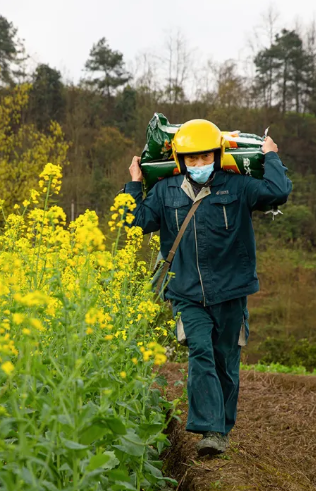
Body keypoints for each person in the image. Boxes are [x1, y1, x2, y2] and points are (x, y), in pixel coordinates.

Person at [122, 119, 292, 457]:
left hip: (231, 290)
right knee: (200, 351)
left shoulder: (237, 186)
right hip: (186, 292)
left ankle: (222, 429)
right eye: (192, 158)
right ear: (181, 160)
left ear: (217, 155)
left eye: (205, 157)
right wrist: (134, 183)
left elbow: (278, 192)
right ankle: (210, 430)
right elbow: (134, 221)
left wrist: (271, 156)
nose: (199, 164)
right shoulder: (166, 191)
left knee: (225, 362)